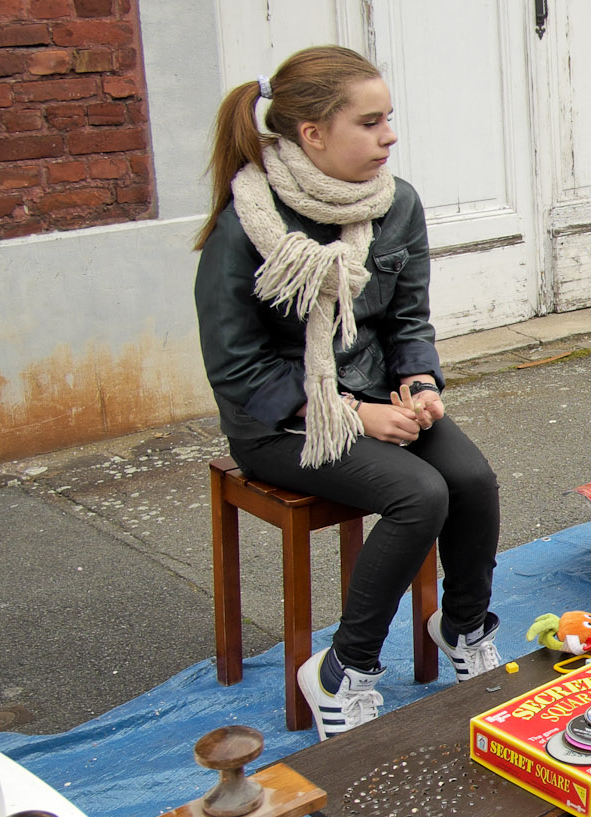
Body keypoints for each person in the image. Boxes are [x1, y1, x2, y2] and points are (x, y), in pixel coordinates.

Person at [193, 45, 503, 741]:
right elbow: (235, 367)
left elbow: (406, 319)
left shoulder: (397, 205)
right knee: (419, 493)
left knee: (472, 479)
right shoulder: (247, 224)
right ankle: (342, 671)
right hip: (282, 423)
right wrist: (354, 414)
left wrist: (419, 384)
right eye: (369, 122)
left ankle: (462, 629)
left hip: (373, 396)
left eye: (388, 118)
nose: (389, 135)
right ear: (312, 134)